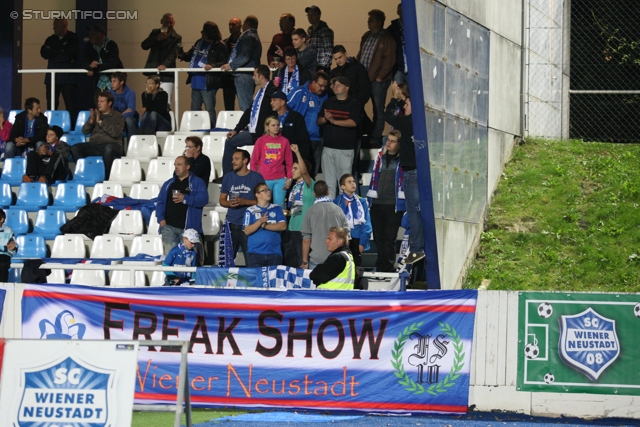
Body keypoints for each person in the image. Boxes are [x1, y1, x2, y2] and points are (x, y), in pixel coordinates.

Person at [384, 83, 424, 265]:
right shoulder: (422, 122)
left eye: (407, 104)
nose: (404, 107)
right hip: (422, 171)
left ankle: (417, 249)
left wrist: (395, 98)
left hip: (412, 173)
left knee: (414, 212)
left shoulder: (409, 122)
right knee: (418, 210)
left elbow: (388, 116)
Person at [221, 65, 277, 175]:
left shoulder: (272, 91)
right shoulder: (260, 92)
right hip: (253, 131)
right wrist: (236, 129)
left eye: (255, 75)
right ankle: (228, 176)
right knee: (230, 142)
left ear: (261, 76)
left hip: (263, 134)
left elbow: (273, 114)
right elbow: (249, 112)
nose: (253, 77)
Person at [317, 76, 362, 198]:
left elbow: (353, 122)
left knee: (345, 186)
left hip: (345, 149)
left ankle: (345, 214)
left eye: (339, 85)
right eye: (334, 85)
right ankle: (331, 213)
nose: (335, 87)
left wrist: (334, 121)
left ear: (347, 88)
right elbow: (319, 121)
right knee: (329, 185)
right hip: (328, 148)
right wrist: (325, 119)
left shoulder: (354, 103)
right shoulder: (328, 102)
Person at [366, 129, 405, 272]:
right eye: (388, 140)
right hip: (376, 203)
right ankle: (380, 264)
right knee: (378, 237)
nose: (389, 143)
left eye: (393, 141)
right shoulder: (379, 157)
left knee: (389, 238)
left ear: (399, 144)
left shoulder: (402, 160)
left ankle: (387, 266)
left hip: (392, 204)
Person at [357, 9, 396, 147]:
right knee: (357, 106)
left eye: (371, 20)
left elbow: (390, 59)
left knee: (378, 110)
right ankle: (367, 131)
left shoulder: (387, 38)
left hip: (378, 80)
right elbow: (360, 54)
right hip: (364, 79)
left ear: (379, 22)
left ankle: (375, 138)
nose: (368, 22)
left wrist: (380, 77)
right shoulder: (366, 35)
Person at [219, 149, 265, 265]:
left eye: (237, 159)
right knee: (226, 260)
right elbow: (222, 200)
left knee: (251, 260)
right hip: (231, 223)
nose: (233, 162)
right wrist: (229, 203)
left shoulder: (257, 178)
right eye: (233, 159)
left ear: (245, 161)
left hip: (250, 225)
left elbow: (264, 201)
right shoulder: (228, 177)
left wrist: (245, 202)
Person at [156, 156, 209, 256]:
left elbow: (204, 200)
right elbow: (160, 202)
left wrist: (185, 198)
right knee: (171, 259)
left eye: (179, 165)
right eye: (175, 165)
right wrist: (160, 218)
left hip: (188, 229)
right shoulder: (169, 183)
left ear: (187, 166)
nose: (176, 167)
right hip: (168, 227)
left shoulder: (197, 182)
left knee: (189, 259)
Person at [178, 21, 227, 129]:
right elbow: (189, 56)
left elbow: (224, 61)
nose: (201, 33)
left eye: (203, 31)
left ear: (209, 32)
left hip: (208, 81)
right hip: (195, 79)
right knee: (194, 109)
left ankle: (212, 130)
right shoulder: (199, 42)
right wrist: (181, 54)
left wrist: (212, 65)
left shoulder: (219, 45)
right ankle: (196, 129)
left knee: (209, 109)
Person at [72, 91, 124, 179]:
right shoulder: (96, 114)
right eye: (98, 101)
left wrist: (100, 122)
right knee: (75, 148)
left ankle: (107, 177)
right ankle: (86, 173)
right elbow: (84, 131)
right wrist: (90, 121)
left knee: (108, 149)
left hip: (113, 145)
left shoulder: (118, 116)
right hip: (95, 145)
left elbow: (115, 133)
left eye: (102, 101)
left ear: (109, 103)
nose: (99, 103)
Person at [287, 71, 328, 176]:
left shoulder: (325, 96)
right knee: (301, 171)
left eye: (325, 86)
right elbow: (285, 107)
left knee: (313, 172)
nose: (322, 88)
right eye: (320, 85)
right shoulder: (299, 91)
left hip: (319, 140)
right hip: (303, 140)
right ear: (313, 82)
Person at [301, 180, 349, 269]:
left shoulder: (309, 212)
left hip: (317, 260)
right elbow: (346, 236)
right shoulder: (338, 210)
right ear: (328, 192)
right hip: (337, 259)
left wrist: (304, 261)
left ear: (314, 194)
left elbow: (306, 240)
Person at [40, 18, 79, 124]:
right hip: (52, 78)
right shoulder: (51, 39)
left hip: (67, 78)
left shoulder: (73, 38)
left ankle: (73, 128)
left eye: (55, 26)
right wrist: (60, 50)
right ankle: (50, 127)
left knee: (70, 105)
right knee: (51, 104)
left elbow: (70, 55)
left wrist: (53, 51)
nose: (53, 28)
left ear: (63, 27)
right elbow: (44, 53)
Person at [220, 16, 262, 111]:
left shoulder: (248, 37)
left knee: (245, 106)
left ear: (247, 24)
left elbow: (245, 56)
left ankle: (249, 125)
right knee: (246, 105)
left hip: (244, 75)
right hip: (247, 75)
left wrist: (231, 65)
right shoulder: (254, 36)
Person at [250, 116, 293, 207]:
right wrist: (254, 178)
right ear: (267, 126)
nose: (276, 127)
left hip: (280, 179)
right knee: (263, 205)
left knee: (279, 206)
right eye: (273, 125)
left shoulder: (284, 141)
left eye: (277, 125)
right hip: (264, 179)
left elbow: (289, 162)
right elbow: (254, 161)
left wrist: (289, 178)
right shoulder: (261, 141)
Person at [284, 144, 314, 268]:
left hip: (303, 230)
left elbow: (304, 171)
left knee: (301, 264)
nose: (292, 170)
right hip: (291, 229)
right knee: (291, 264)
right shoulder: (294, 186)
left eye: (295, 168)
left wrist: (297, 153)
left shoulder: (310, 184)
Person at [243, 183, 287, 267]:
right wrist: (259, 222)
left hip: (274, 253)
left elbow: (283, 226)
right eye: (264, 190)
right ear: (257, 195)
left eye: (268, 190)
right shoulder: (250, 211)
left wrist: (265, 226)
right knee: (256, 280)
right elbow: (247, 231)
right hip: (255, 254)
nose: (268, 192)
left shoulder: (276, 208)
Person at [141, 13, 182, 103]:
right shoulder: (155, 32)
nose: (168, 24)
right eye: (166, 22)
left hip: (167, 73)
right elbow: (144, 46)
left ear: (174, 23)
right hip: (153, 69)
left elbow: (173, 54)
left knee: (165, 102)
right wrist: (156, 39)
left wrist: (165, 64)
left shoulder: (177, 37)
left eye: (170, 22)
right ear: (161, 21)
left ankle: (164, 117)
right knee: (150, 100)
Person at [333, 174, 372, 267]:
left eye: (353, 181)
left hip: (357, 239)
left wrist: (362, 243)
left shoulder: (362, 202)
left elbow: (367, 224)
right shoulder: (336, 202)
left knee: (355, 268)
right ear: (343, 186)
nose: (353, 184)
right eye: (349, 182)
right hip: (342, 239)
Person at [269, 91, 311, 165]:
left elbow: (303, 139)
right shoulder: (271, 117)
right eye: (271, 100)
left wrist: (301, 160)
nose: (271, 103)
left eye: (274, 100)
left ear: (282, 102)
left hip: (291, 158)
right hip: (274, 158)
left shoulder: (296, 117)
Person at [83, 24, 123, 95]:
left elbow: (113, 63)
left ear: (102, 35)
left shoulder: (111, 45)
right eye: (90, 34)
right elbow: (84, 61)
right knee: (100, 104)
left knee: (116, 105)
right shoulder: (89, 46)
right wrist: (90, 67)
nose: (91, 37)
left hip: (114, 82)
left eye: (94, 34)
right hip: (99, 84)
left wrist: (96, 67)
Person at [221, 18, 243, 110]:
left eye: (233, 25)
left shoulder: (245, 41)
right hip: (228, 78)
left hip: (241, 76)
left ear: (240, 26)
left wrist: (238, 49)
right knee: (228, 105)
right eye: (229, 24)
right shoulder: (225, 42)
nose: (230, 27)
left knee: (244, 104)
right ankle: (229, 124)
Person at [305, 5, 334, 73]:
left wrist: (323, 67)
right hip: (310, 67)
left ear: (319, 15)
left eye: (313, 15)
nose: (310, 17)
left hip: (321, 67)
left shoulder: (325, 31)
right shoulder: (309, 32)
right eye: (308, 15)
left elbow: (329, 50)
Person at [109, 72, 137, 137]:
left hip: (125, 120)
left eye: (114, 81)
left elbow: (130, 112)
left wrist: (118, 116)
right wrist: (122, 114)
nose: (112, 83)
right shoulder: (109, 94)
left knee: (129, 120)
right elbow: (107, 111)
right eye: (111, 81)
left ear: (121, 82)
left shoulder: (130, 93)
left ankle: (131, 145)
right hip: (114, 119)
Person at [387, 3, 408, 84]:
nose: (403, 13)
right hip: (398, 68)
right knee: (398, 92)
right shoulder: (392, 29)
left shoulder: (414, 26)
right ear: (398, 13)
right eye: (401, 12)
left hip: (413, 68)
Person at [0, 209, 18, 283]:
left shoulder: (8, 231)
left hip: (3, 255)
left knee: (2, 262)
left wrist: (12, 248)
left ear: (1, 219)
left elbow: (13, 248)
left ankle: (2, 286)